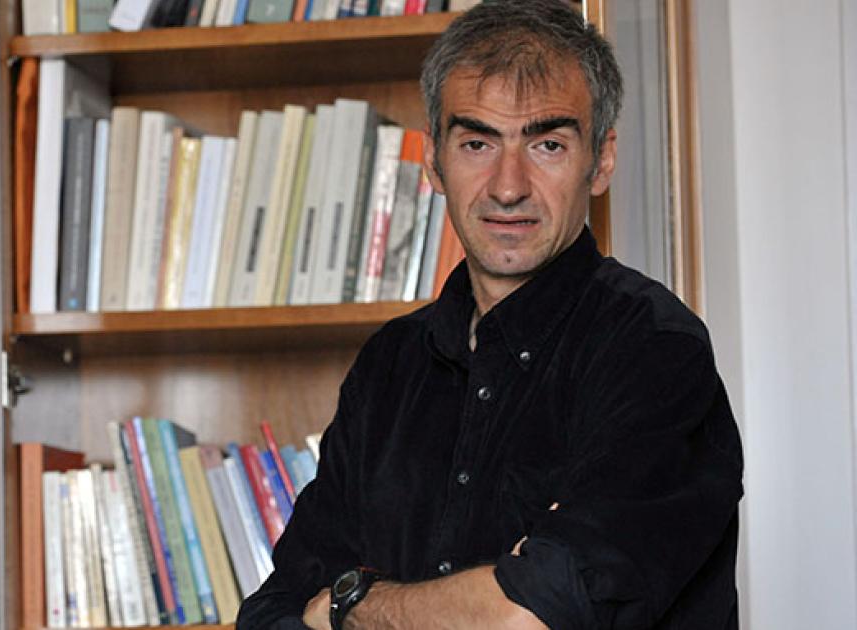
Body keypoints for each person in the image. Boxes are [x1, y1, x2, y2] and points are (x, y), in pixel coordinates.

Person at [234, 1, 745, 628]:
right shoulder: (390, 364)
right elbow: (273, 612)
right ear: (434, 161)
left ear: (602, 160)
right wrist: (491, 590)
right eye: (477, 143)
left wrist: (351, 602)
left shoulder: (655, 351)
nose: (508, 186)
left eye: (547, 145)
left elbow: (530, 618)